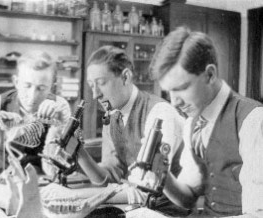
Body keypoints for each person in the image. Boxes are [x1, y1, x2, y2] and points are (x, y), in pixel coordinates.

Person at [45, 45, 186, 215]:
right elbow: (107, 179)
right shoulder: (113, 117)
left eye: (101, 83)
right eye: (91, 85)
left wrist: (73, 196)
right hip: (138, 208)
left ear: (125, 77)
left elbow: (143, 191)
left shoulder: (160, 113)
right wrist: (78, 151)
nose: (95, 94)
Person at [149, 26, 263, 217]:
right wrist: (161, 174)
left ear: (209, 74)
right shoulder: (192, 124)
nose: (174, 101)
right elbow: (188, 196)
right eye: (169, 92)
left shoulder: (252, 121)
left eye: (182, 88)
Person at [0, 51, 71, 174]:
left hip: (44, 183)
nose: (32, 96)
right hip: (2, 183)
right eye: (27, 86)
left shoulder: (60, 107)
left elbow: (56, 170)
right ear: (16, 82)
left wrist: (56, 128)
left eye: (41, 88)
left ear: (52, 87)